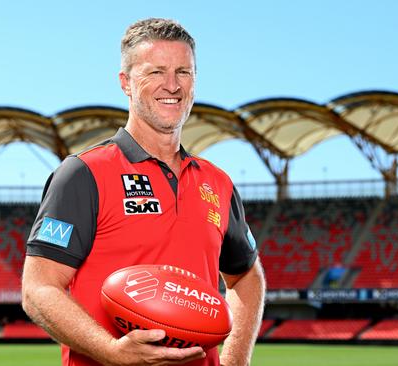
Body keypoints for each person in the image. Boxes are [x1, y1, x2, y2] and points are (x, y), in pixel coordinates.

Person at [22, 18, 265, 366]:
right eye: (155, 72)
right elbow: (39, 289)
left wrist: (236, 360)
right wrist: (110, 351)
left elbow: (246, 275)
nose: (172, 85)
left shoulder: (219, 183)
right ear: (126, 83)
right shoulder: (83, 173)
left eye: (184, 71)